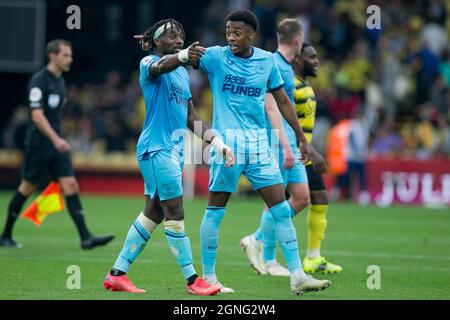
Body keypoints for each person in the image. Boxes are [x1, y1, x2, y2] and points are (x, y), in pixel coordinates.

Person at [195, 10, 331, 295]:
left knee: (281, 209)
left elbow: (282, 101)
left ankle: (297, 276)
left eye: (237, 32)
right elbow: (184, 56)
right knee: (216, 210)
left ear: (251, 34)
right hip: (227, 145)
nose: (231, 36)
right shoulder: (216, 56)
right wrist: (159, 51)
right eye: (228, 31)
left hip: (259, 145)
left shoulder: (266, 61)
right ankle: (208, 278)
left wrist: (300, 139)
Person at [103, 19, 235, 295]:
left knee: (153, 213)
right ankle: (193, 280)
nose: (178, 38)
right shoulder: (149, 62)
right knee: (175, 211)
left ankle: (116, 274)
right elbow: (160, 66)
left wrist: (218, 142)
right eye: (172, 35)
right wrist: (185, 55)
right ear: (156, 42)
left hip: (172, 151)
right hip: (156, 148)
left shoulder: (182, 76)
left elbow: (191, 117)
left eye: (181, 35)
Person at [0, 39, 114, 250]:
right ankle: (5, 235)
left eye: (70, 55)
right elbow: (36, 115)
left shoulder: (60, 82)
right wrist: (56, 139)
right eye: (65, 55)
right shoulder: (39, 80)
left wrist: (60, 138)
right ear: (52, 56)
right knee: (27, 187)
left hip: (56, 145)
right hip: (38, 145)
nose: (69, 59)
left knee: (70, 185)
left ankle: (86, 238)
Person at [240, 18, 310, 277]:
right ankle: (269, 260)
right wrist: (285, 145)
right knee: (275, 201)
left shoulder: (285, 66)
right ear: (298, 40)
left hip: (289, 141)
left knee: (301, 197)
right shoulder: (272, 63)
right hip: (277, 142)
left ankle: (256, 239)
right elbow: (270, 107)